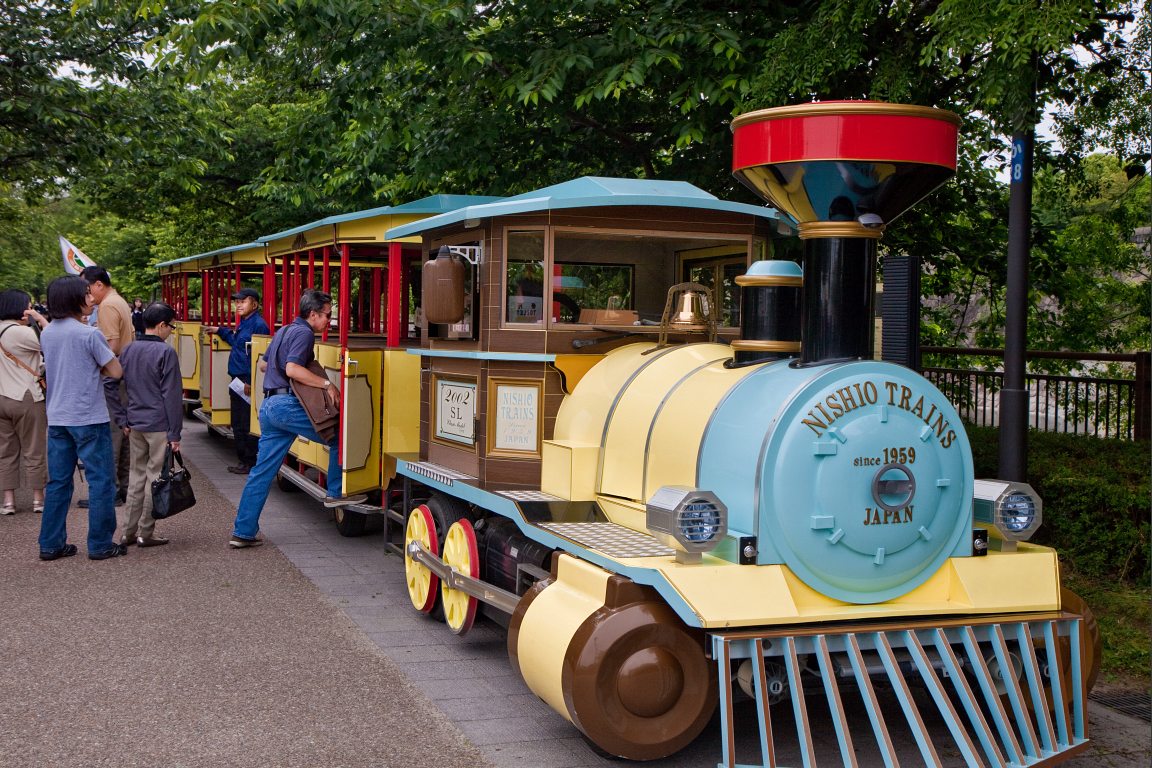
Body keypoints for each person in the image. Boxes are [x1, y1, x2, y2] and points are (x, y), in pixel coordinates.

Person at [229, 290, 365, 548]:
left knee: (260, 473)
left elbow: (263, 365)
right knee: (339, 437)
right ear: (312, 314)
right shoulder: (303, 333)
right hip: (285, 406)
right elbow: (292, 369)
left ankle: (243, 532)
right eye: (327, 315)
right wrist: (326, 384)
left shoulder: (284, 330)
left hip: (269, 406)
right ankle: (335, 493)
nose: (329, 321)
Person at [37, 275, 127, 561]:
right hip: (88, 415)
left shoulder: (48, 332)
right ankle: (100, 543)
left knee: (59, 482)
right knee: (100, 480)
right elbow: (116, 371)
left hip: (58, 416)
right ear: (75, 299)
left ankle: (51, 544)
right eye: (86, 295)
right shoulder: (89, 334)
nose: (91, 299)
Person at [116, 302, 183, 547]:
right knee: (155, 478)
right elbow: (172, 395)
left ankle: (127, 532)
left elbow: (113, 384)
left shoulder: (129, 350)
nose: (171, 331)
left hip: (134, 421)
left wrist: (121, 417)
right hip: (159, 424)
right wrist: (175, 433)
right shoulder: (166, 353)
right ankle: (146, 531)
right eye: (171, 326)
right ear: (162, 325)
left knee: (136, 477)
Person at [80, 265, 134, 507]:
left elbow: (110, 347)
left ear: (98, 285)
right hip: (124, 374)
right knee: (121, 433)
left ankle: (110, 491)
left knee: (111, 434)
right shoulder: (118, 301)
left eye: (88, 288)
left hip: (113, 375)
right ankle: (123, 487)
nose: (88, 294)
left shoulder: (107, 306)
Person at [202, 288, 270, 475]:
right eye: (237, 302)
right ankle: (243, 460)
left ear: (254, 304)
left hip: (246, 381)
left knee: (245, 422)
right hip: (237, 380)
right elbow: (235, 341)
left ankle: (249, 461)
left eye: (243, 301)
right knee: (238, 422)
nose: (238, 305)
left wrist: (250, 380)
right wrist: (220, 330)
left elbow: (259, 355)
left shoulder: (259, 325)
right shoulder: (244, 323)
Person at [0, 290, 48, 515]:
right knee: (34, 449)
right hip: (26, 396)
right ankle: (38, 499)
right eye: (28, 306)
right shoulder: (22, 332)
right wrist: (40, 319)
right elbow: (52, 340)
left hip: (2, 397)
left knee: (6, 452)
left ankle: (8, 502)